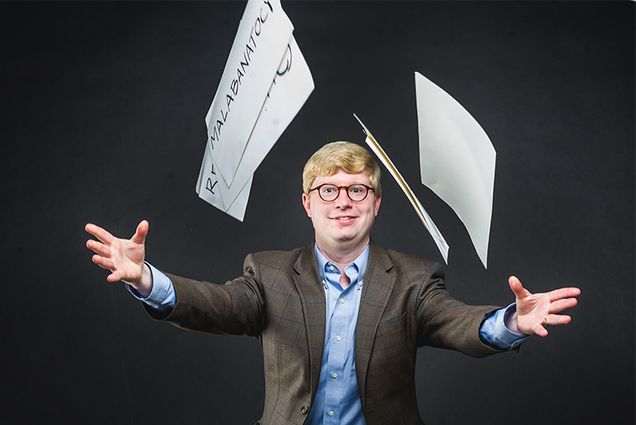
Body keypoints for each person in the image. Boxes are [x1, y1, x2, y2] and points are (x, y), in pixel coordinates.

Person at [85, 141, 580, 425]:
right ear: (308, 203)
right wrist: (147, 280)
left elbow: (459, 324)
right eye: (328, 189)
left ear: (376, 203)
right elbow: (218, 305)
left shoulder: (413, 278)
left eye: (357, 189)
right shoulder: (269, 272)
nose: (343, 200)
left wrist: (511, 320)